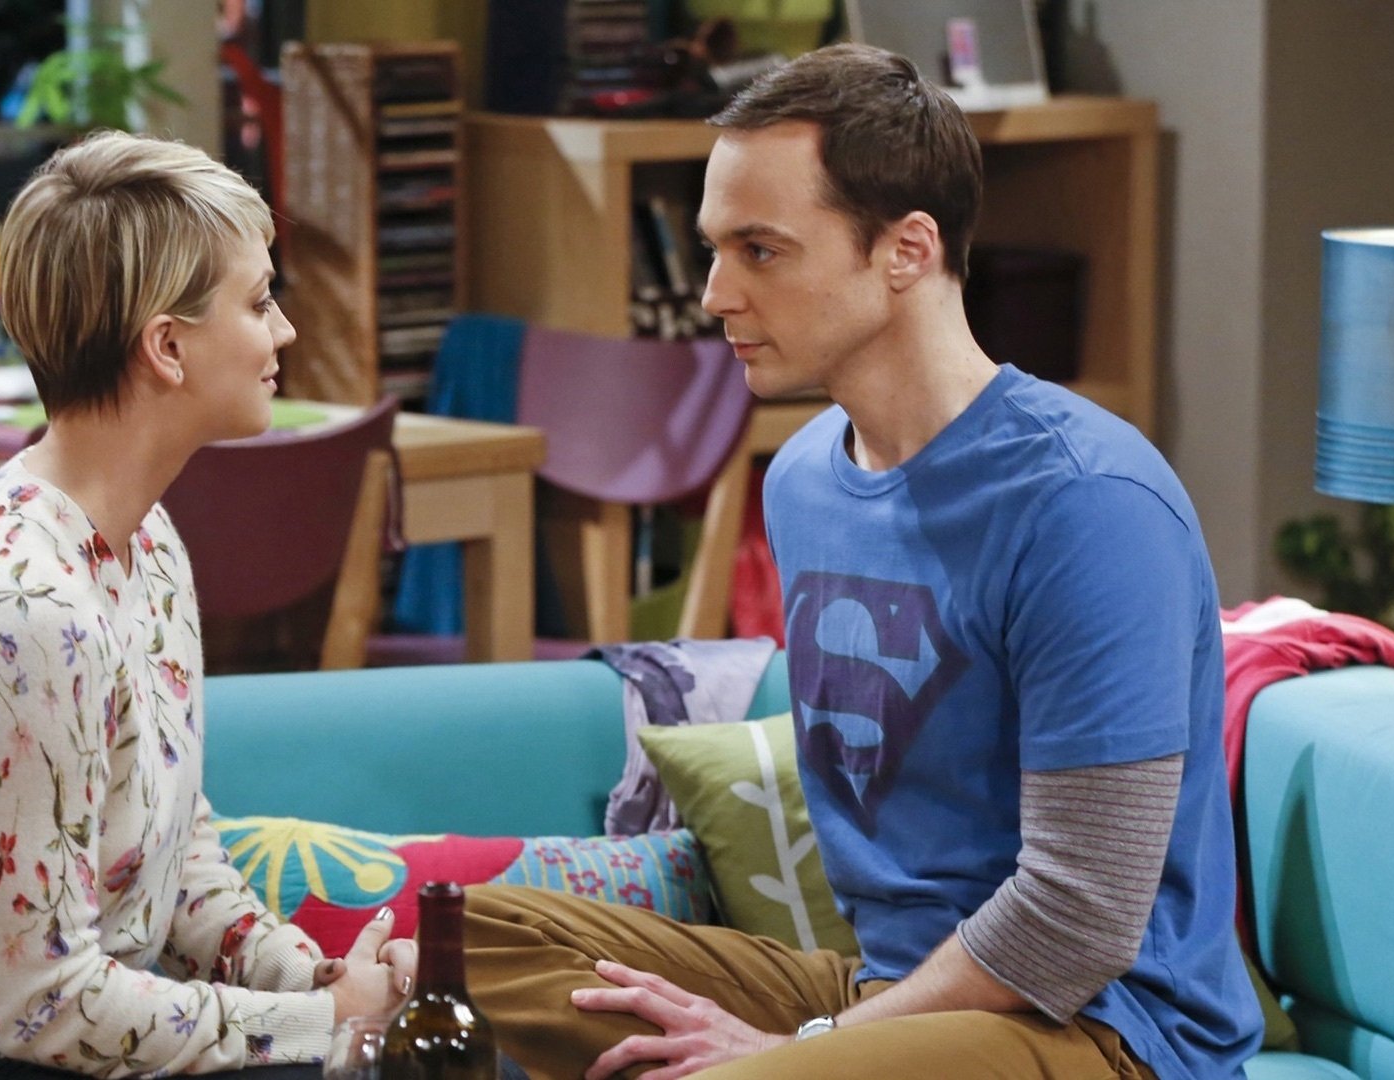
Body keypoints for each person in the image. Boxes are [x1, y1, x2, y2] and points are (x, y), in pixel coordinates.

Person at [461, 44, 1264, 1080]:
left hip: (1104, 1034)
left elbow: (1079, 918)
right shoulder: (802, 480)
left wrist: (806, 1049)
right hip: (883, 993)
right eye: (714, 250)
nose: (714, 295)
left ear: (907, 250)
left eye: (760, 250)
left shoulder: (1086, 504)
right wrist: (827, 1033)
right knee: (465, 941)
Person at [0, 132, 413, 1079]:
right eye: (260, 302)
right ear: (167, 347)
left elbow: (174, 859)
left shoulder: (146, 543)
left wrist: (317, 983)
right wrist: (320, 1026)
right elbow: (42, 1006)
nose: (285, 333)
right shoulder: (27, 611)